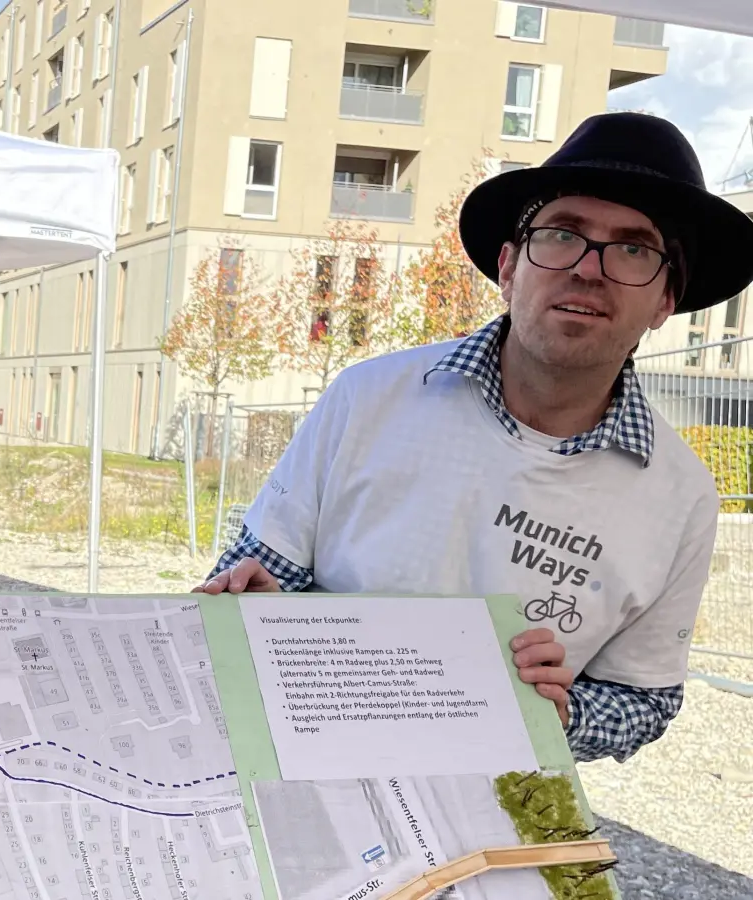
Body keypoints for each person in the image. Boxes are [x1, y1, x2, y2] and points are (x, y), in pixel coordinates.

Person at [198, 112, 752, 766]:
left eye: (633, 249)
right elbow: (263, 573)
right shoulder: (369, 398)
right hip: (310, 766)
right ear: (510, 267)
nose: (588, 269)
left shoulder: (680, 495)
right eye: (561, 235)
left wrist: (564, 711)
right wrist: (252, 610)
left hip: (501, 810)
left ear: (666, 300)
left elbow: (644, 699)